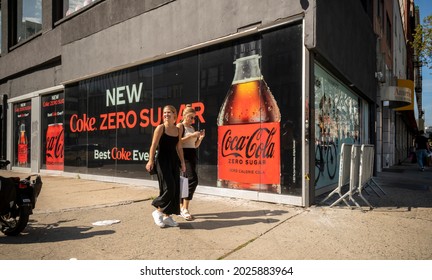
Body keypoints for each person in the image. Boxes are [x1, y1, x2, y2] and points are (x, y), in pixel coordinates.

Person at [146, 105, 186, 227]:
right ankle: (158, 212)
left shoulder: (178, 129)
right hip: (162, 161)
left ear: (175, 114)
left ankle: (168, 217)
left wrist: (183, 163)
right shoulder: (160, 128)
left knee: (175, 190)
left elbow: (179, 147)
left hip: (174, 161)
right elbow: (153, 145)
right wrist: (150, 160)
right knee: (169, 187)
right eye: (164, 113)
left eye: (169, 112)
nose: (166, 115)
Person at [177, 104, 205, 221]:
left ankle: (180, 207)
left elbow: (195, 145)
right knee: (193, 180)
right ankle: (185, 208)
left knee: (185, 182)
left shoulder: (192, 128)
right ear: (184, 116)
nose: (193, 120)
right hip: (184, 155)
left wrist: (200, 138)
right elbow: (178, 141)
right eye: (191, 117)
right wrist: (192, 136)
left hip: (192, 155)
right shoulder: (180, 126)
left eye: (194, 118)